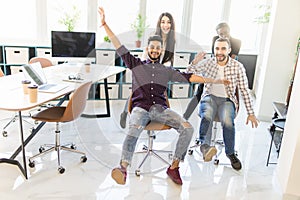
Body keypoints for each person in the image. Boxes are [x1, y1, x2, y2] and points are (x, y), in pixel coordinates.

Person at [98, 7, 230, 185]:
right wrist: (105, 24)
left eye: (158, 48)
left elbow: (189, 77)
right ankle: (123, 167)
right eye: (152, 47)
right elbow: (117, 44)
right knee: (132, 131)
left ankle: (174, 167)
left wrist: (214, 80)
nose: (154, 50)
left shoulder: (166, 70)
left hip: (161, 110)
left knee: (188, 127)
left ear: (161, 51)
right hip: (140, 108)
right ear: (148, 49)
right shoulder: (135, 63)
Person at [186, 37, 259, 170]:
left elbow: (243, 89)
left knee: (227, 121)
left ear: (229, 50)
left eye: (223, 48)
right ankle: (205, 147)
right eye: (217, 48)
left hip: (227, 100)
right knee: (207, 115)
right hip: (209, 98)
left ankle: (230, 153)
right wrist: (195, 61)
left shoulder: (237, 67)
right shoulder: (208, 62)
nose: (219, 52)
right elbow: (187, 73)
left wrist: (251, 113)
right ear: (214, 50)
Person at [119, 12, 176, 128]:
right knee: (140, 90)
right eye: (163, 22)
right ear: (159, 24)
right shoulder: (153, 35)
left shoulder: (172, 41)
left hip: (161, 72)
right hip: (146, 66)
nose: (166, 25)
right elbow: (146, 56)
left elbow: (170, 59)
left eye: (169, 22)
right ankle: (125, 112)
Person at [183, 22, 241, 120]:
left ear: (229, 31)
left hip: (227, 71)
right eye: (220, 34)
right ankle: (185, 117)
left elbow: (232, 59)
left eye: (225, 33)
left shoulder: (237, 42)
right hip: (213, 68)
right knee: (199, 91)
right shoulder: (215, 39)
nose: (223, 36)